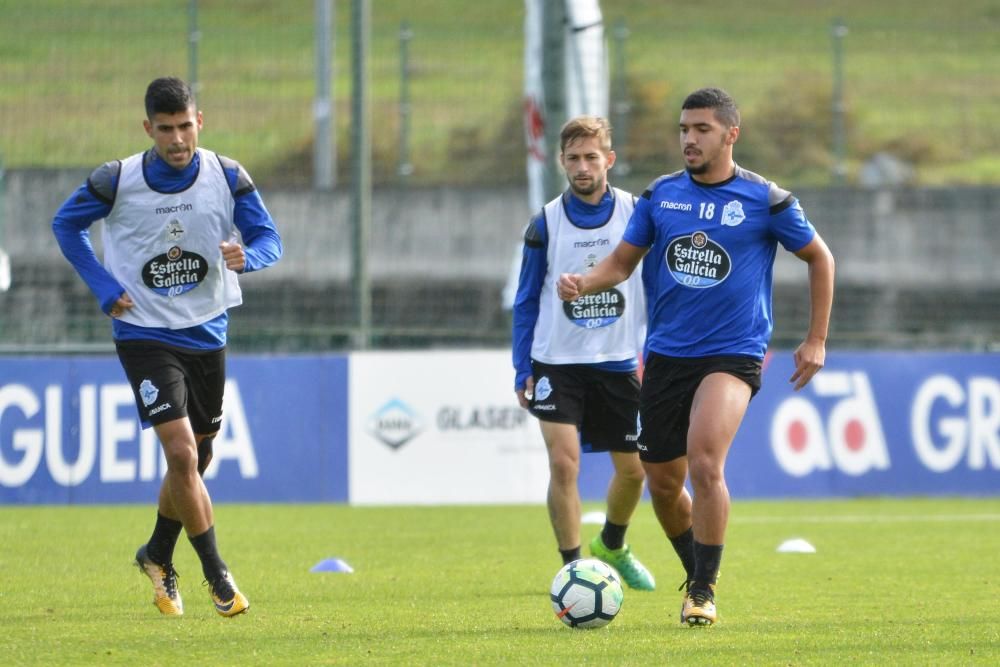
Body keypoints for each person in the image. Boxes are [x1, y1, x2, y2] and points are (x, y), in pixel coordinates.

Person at [558, 88, 835, 626]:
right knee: (661, 480)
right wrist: (584, 282)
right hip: (665, 356)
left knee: (705, 461)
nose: (689, 138)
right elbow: (620, 262)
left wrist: (816, 338)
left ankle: (704, 591)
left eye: (702, 129)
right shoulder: (661, 196)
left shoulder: (767, 200)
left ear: (731, 134)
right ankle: (696, 575)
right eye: (684, 128)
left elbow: (820, 258)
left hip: (733, 354)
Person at [52, 76, 282, 618]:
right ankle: (217, 574)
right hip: (144, 335)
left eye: (186, 126)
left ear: (199, 121)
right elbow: (66, 226)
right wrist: (104, 286)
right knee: (180, 453)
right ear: (148, 128)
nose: (177, 139)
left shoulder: (227, 175)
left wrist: (252, 256)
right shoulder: (118, 179)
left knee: (197, 458)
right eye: (166, 129)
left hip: (207, 331)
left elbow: (269, 237)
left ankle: (156, 553)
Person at [512, 115, 655, 591]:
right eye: (573, 158)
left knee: (634, 471)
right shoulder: (546, 223)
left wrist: (656, 353)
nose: (582, 166)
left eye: (591, 157)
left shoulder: (637, 214)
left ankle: (612, 544)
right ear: (561, 162)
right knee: (563, 463)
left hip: (617, 364)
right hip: (557, 364)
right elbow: (526, 299)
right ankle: (572, 570)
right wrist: (521, 369)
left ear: (609, 160)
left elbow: (656, 289)